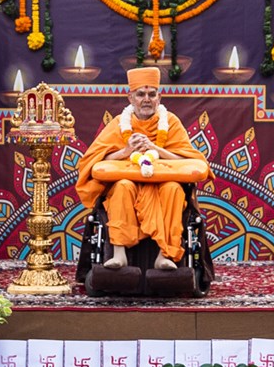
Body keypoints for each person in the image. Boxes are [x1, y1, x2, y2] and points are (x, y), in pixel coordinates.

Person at [75, 67, 212, 270]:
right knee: (122, 186)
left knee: (173, 189)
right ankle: (119, 254)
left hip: (162, 184)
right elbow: (94, 160)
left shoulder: (171, 122)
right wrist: (126, 151)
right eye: (140, 94)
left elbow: (187, 158)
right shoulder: (118, 124)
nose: (146, 99)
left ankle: (164, 255)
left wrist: (154, 148)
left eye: (151, 94)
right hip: (129, 184)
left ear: (159, 97)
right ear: (130, 97)